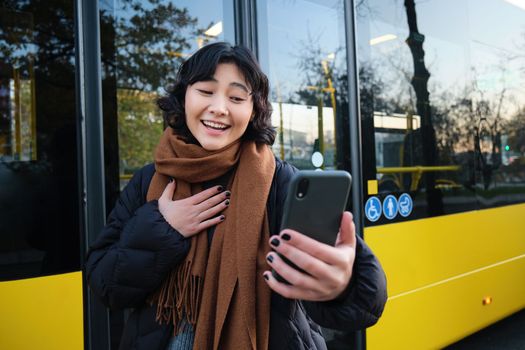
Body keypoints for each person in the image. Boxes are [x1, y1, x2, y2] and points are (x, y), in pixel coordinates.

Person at [85, 42, 387, 350]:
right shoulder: (148, 181)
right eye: (206, 91)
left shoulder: (280, 181)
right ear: (184, 96)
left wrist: (341, 285)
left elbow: (363, 297)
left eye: (237, 97)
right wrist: (162, 228)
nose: (219, 107)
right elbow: (105, 284)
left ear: (253, 109)